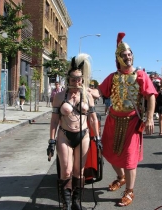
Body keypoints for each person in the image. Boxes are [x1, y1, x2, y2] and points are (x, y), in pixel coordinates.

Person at [98, 32, 157, 207]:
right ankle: (121, 177)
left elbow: (151, 96)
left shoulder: (140, 75)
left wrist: (150, 117)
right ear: (119, 58)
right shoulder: (113, 77)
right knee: (107, 152)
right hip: (113, 120)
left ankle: (129, 191)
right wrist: (83, 92)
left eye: (130, 54)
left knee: (129, 159)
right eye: (124, 55)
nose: (128, 57)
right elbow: (99, 92)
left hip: (132, 122)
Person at [47, 54, 100, 210]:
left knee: (79, 171)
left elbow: (92, 119)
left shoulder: (87, 96)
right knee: (67, 170)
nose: (76, 82)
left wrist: (97, 137)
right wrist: (51, 140)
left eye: (79, 79)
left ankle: (76, 201)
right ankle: (66, 203)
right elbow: (55, 120)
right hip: (64, 136)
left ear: (82, 79)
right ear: (68, 79)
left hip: (82, 135)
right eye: (73, 79)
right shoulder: (59, 97)